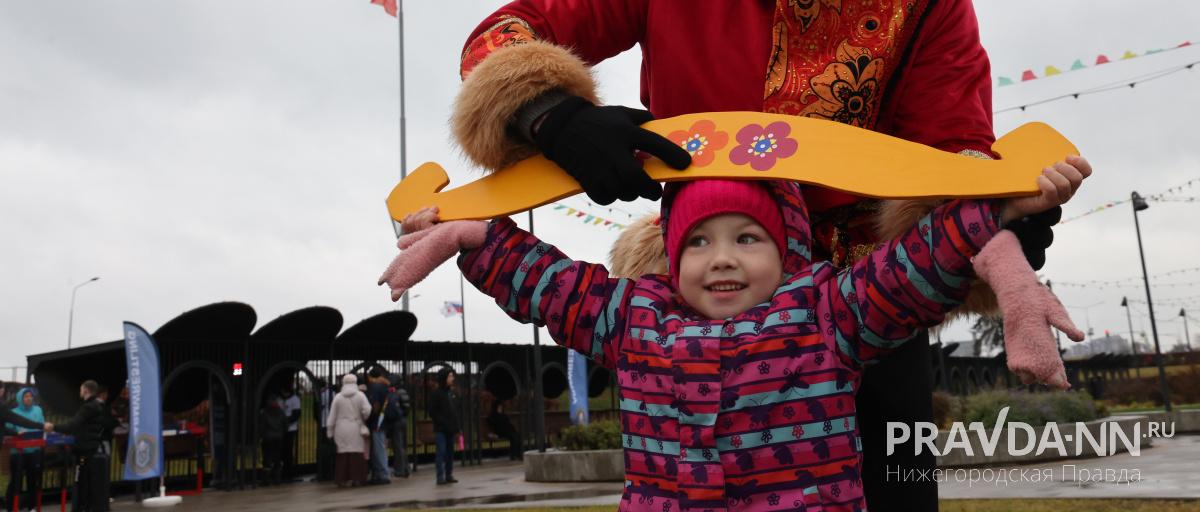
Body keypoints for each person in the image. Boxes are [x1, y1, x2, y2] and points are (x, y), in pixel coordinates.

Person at [446, 0, 1043, 507]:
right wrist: (550, 113)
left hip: (866, 312)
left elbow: (954, 143)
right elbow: (503, 34)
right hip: (697, 305)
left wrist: (990, 221)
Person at [382, 157, 1089, 511]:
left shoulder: (827, 315)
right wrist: (473, 235)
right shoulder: (634, 320)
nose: (721, 258)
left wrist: (995, 217)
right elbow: (547, 282)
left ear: (786, 253)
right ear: (673, 254)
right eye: (700, 242)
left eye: (747, 238)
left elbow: (910, 267)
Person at [44, 380, 108, 512]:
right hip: (91, 448)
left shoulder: (88, 407)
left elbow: (72, 425)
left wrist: (54, 427)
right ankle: (86, 506)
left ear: (85, 390)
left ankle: (80, 507)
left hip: (83, 450)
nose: (79, 392)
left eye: (80, 389)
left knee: (80, 480)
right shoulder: (98, 406)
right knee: (87, 481)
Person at [4, 387, 45, 512]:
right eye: (26, 396)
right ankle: (11, 507)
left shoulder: (38, 410)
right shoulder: (13, 412)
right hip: (18, 453)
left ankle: (31, 507)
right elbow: (7, 429)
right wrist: (17, 432)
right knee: (16, 481)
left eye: (30, 396)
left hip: (34, 451)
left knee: (32, 480)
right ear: (20, 399)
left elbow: (41, 425)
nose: (29, 398)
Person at [325, 374, 370, 488]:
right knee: (357, 453)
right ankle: (358, 479)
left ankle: (342, 479)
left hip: (341, 428)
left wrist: (330, 431)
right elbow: (367, 410)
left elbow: (332, 416)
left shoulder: (338, 397)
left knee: (343, 454)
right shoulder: (361, 395)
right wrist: (363, 417)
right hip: (356, 427)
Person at [427, 369, 460, 486]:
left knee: (450, 453)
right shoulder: (436, 394)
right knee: (441, 452)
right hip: (441, 429)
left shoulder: (450, 393)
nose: (453, 378)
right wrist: (442, 422)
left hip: (450, 428)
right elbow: (432, 411)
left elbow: (454, 411)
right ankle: (440, 476)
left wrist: (456, 426)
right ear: (444, 378)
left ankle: (449, 474)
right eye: (450, 376)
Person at [365, 367, 391, 485]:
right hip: (383, 420)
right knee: (380, 447)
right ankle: (380, 473)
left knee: (378, 449)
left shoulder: (375, 387)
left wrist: (370, 416)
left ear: (371, 377)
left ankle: (383, 474)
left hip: (376, 422)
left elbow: (375, 405)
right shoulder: (385, 386)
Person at [384, 376, 411, 478]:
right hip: (403, 420)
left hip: (396, 422)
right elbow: (407, 408)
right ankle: (406, 467)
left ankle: (400, 470)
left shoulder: (394, 393)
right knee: (402, 446)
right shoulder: (403, 392)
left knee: (398, 446)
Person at [259, 396, 287, 485]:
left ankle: (265, 481)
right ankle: (277, 480)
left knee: (267, 459)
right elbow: (285, 425)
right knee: (277, 459)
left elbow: (262, 427)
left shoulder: (265, 413)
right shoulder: (282, 412)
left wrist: (260, 436)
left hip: (267, 439)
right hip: (279, 438)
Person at [278, 384, 301, 481]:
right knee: (282, 451)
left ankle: (288, 472)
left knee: (288, 451)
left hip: (291, 429)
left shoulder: (295, 400)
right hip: (281, 429)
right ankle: (282, 472)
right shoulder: (280, 399)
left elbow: (296, 415)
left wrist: (285, 422)